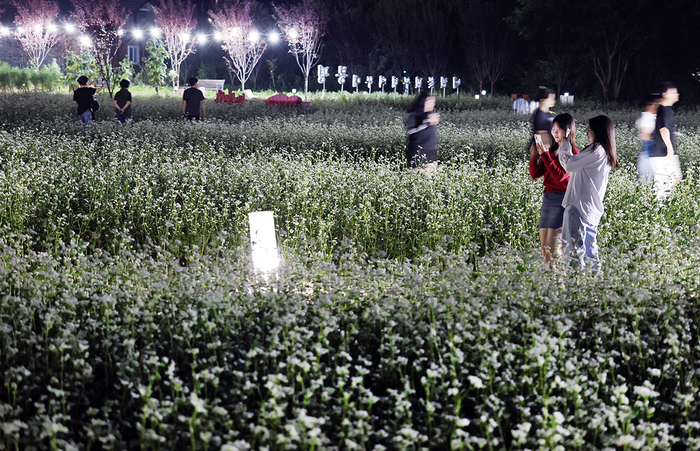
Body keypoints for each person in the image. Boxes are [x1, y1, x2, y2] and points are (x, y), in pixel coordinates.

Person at [558, 115, 618, 270]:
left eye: (589, 130)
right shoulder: (605, 151)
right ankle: (594, 287)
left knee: (574, 252)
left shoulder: (596, 150)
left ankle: (576, 288)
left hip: (580, 207)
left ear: (597, 132)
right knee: (590, 252)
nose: (587, 134)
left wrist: (565, 145)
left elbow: (570, 165)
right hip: (591, 209)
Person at [531, 113, 579, 264]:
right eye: (553, 128)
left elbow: (560, 179)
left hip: (561, 200)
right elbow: (535, 174)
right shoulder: (552, 151)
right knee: (545, 251)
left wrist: (545, 156)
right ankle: (549, 283)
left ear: (569, 130)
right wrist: (534, 156)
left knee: (553, 251)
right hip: (548, 199)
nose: (555, 132)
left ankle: (559, 283)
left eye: (560, 128)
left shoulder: (572, 153)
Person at [650, 82, 681, 200]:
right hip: (662, 154)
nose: (677, 94)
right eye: (673, 92)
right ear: (665, 94)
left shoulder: (666, 109)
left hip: (665, 153)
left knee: (675, 181)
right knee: (662, 189)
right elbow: (663, 129)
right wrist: (670, 148)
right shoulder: (663, 110)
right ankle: (659, 213)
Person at [405, 90, 440, 174]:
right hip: (416, 152)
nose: (433, 105)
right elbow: (411, 131)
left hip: (429, 151)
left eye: (433, 102)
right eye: (431, 102)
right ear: (424, 102)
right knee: (414, 179)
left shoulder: (430, 115)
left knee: (430, 180)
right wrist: (428, 122)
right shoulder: (414, 115)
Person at [635, 94, 659, 184]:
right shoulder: (646, 117)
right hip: (649, 153)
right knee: (645, 179)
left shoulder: (652, 116)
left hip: (651, 152)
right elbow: (646, 134)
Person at [529, 87, 556, 155]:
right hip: (543, 151)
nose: (554, 101)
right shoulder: (540, 115)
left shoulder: (547, 113)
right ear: (543, 100)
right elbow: (541, 135)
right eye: (551, 99)